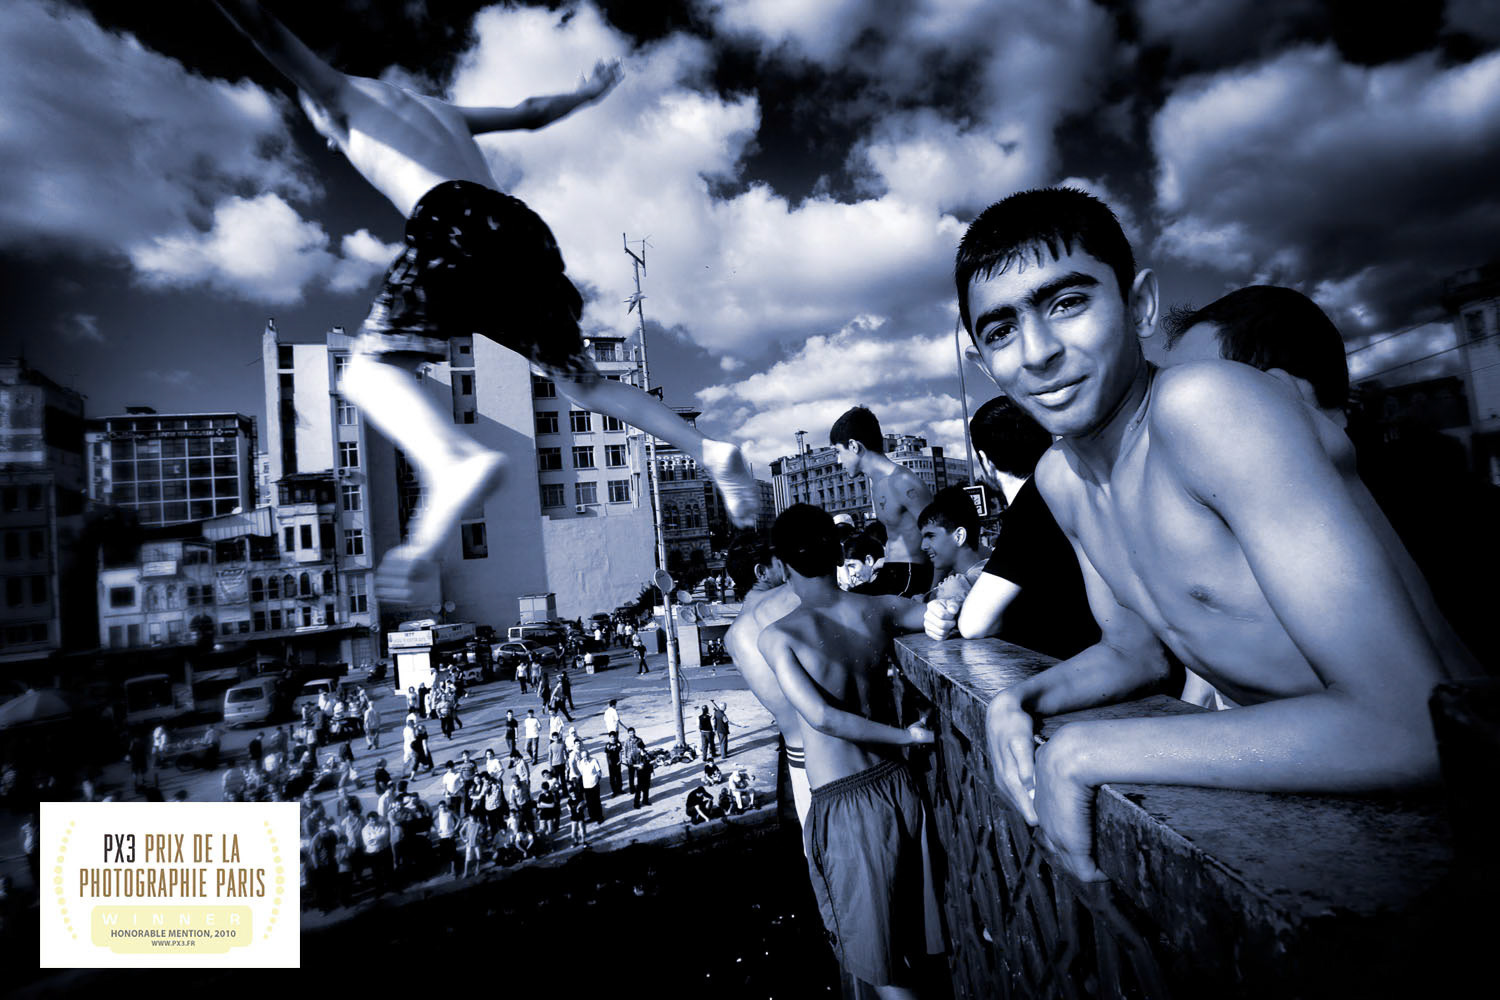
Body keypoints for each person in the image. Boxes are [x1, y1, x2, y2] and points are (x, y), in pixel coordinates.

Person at [955, 186, 1484, 883]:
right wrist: (1019, 699)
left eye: (1068, 302)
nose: (1039, 352)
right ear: (981, 358)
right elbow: (1136, 651)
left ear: (1139, 305)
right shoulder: (1062, 477)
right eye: (1000, 330)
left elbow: (1417, 724)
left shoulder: (1205, 404)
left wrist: (1084, 752)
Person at [214, 0, 758, 603]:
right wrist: (586, 95)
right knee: (584, 386)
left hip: (453, 219)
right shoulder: (440, 110)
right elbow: (528, 115)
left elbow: (264, 27)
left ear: (320, 107)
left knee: (367, 373)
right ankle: (709, 449)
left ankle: (450, 463)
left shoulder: (335, 95)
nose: (328, 138)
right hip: (523, 233)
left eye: (320, 127)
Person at [1156, 285, 1487, 701]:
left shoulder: (1432, 511)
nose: (1166, 418)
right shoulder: (1223, 519)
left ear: (1278, 390)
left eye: (1194, 390)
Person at [757, 504, 944, 999]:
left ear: (781, 565)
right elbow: (933, 614)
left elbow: (821, 717)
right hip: (899, 786)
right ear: (838, 550)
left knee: (884, 970)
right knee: (917, 947)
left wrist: (909, 736)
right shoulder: (876, 608)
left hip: (845, 806)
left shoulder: (779, 636)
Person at [923, 396, 1101, 660]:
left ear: (986, 462)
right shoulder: (1072, 488)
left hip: (1070, 663)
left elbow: (975, 623)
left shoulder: (1031, 505)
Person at [723, 532, 815, 830]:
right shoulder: (790, 596)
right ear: (761, 572)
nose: (788, 567)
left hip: (794, 756)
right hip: (834, 746)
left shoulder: (731, 638)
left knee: (817, 849)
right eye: (780, 562)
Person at [829, 406, 934, 598]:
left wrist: (934, 591)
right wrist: (883, 562)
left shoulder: (903, 482)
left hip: (912, 576)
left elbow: (939, 535)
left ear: (854, 446)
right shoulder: (877, 484)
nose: (838, 460)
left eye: (838, 451)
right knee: (843, 603)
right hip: (891, 572)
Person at [360, 811, 392, 898]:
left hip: (383, 850)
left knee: (387, 870)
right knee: (376, 872)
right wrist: (378, 837)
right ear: (368, 821)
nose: (374, 822)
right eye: (371, 821)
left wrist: (374, 838)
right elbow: (368, 842)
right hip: (372, 854)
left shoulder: (383, 825)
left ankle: (391, 887)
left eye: (375, 820)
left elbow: (385, 834)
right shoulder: (365, 830)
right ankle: (379, 890)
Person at [576, 748, 605, 824]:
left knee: (596, 801)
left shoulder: (594, 760)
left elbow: (599, 772)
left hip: (594, 784)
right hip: (586, 785)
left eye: (586, 756)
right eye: (583, 757)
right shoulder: (581, 762)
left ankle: (600, 817)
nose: (585, 758)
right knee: (589, 802)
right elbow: (581, 773)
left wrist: (597, 780)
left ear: (589, 755)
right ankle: (592, 817)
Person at [622, 726, 642, 801]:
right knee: (631, 775)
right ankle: (632, 789)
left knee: (639, 774)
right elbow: (625, 750)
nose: (632, 734)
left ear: (634, 732)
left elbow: (643, 748)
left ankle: (640, 787)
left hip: (638, 760)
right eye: (630, 733)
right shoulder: (627, 741)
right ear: (628, 733)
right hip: (630, 760)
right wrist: (626, 759)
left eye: (633, 732)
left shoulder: (639, 740)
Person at [603, 731, 623, 797]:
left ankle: (620, 789)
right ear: (609, 737)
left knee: (618, 776)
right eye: (611, 737)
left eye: (614, 737)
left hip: (618, 763)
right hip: (611, 764)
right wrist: (609, 763)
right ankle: (614, 791)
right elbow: (607, 755)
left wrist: (620, 760)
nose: (613, 738)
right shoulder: (608, 745)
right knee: (612, 778)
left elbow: (620, 752)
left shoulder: (618, 744)